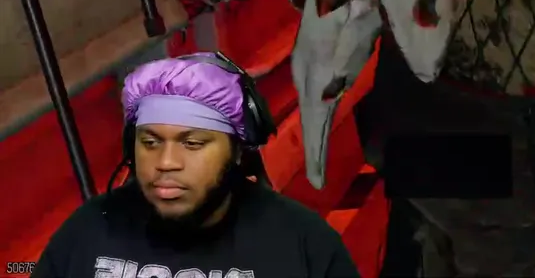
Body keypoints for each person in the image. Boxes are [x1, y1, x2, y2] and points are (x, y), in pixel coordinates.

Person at [33, 53, 360, 278]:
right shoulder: (86, 232)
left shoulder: (304, 245)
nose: (166, 163)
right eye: (151, 142)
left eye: (192, 143)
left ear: (237, 151)